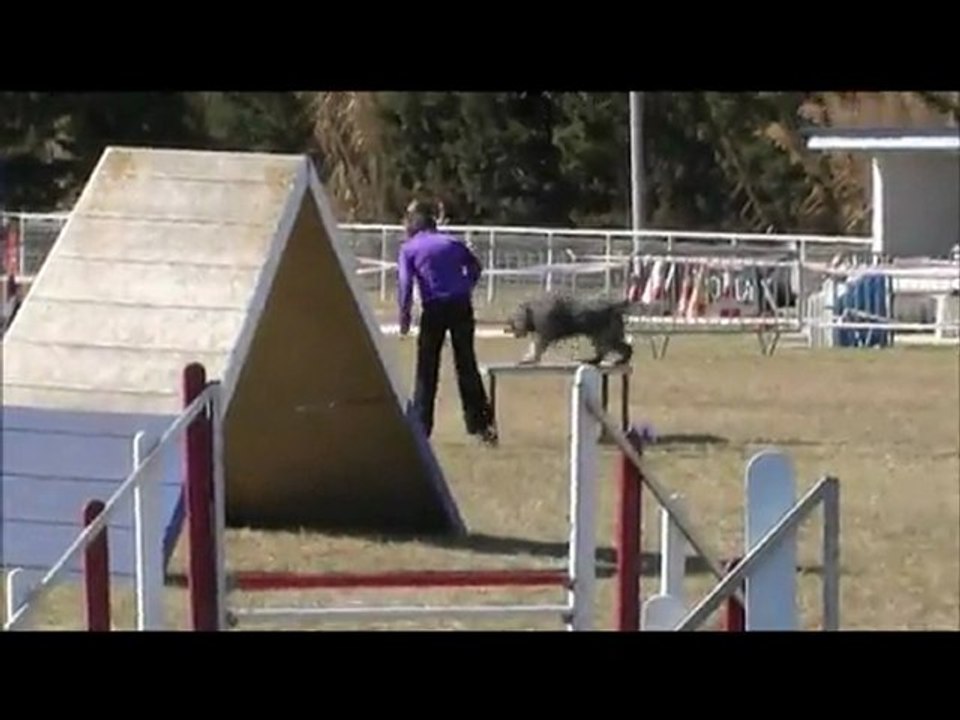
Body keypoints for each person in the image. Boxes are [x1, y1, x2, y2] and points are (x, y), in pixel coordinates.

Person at [397, 199, 498, 446]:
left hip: (434, 307)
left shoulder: (410, 249)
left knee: (426, 369)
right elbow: (475, 268)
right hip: (460, 305)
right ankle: (481, 425)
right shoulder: (453, 243)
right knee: (467, 365)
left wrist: (405, 316)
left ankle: (421, 426)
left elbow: (405, 284)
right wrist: (465, 288)